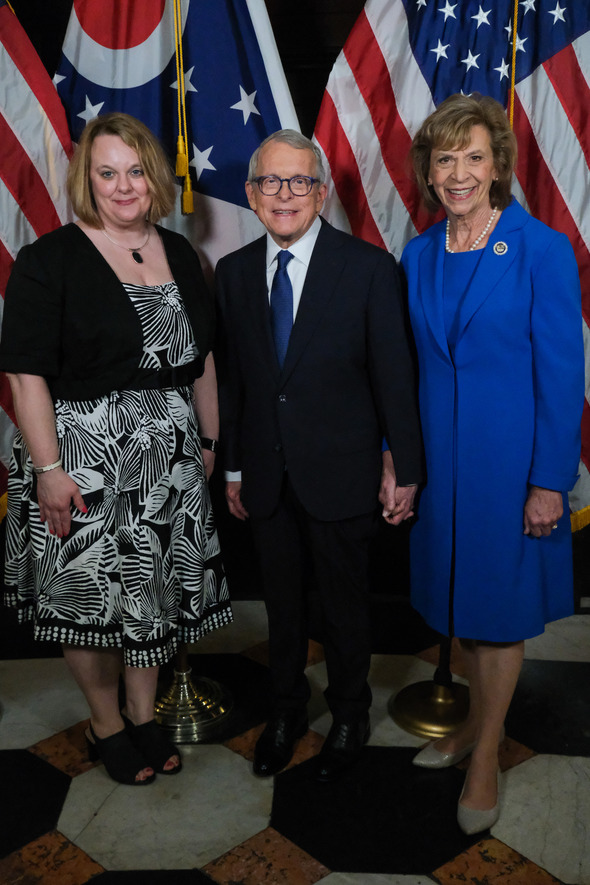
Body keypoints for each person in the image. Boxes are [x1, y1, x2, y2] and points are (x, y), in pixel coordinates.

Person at [0, 112, 231, 785]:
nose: (123, 186)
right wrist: (47, 470)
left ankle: (143, 714)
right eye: (108, 172)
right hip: (80, 456)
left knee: (151, 596)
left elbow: (203, 359)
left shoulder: (183, 252)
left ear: (153, 176)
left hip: (169, 458)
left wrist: (209, 437)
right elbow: (26, 374)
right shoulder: (51, 258)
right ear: (87, 179)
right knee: (90, 602)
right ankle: (106, 724)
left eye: (135, 170)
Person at [215, 129, 422, 782]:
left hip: (343, 472)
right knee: (282, 604)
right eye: (271, 182)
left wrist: (405, 466)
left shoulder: (366, 268)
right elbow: (237, 383)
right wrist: (237, 468)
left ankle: (351, 710)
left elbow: (395, 377)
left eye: (299, 181)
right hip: (268, 476)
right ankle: (285, 710)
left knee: (343, 603)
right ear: (251, 194)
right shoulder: (234, 273)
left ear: (322, 193)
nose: (285, 195)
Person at [402, 94, 583, 834]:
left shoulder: (539, 248)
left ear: (499, 164)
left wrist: (550, 479)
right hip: (443, 469)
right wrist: (397, 456)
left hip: (512, 468)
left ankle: (484, 757)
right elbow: (406, 366)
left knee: (500, 617)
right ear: (429, 169)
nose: (459, 172)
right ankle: (479, 724)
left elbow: (563, 372)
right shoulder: (417, 252)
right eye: (445, 158)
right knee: (462, 608)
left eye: (473, 156)